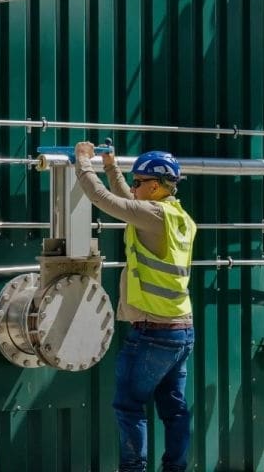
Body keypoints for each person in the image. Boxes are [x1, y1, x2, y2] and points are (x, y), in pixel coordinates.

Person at [74, 141, 196, 472]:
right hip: (181, 329)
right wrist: (111, 166)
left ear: (155, 186)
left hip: (152, 333)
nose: (135, 186)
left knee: (128, 406)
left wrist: (83, 161)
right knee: (175, 410)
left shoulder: (153, 215)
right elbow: (129, 200)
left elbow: (103, 200)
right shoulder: (177, 216)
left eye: (139, 182)